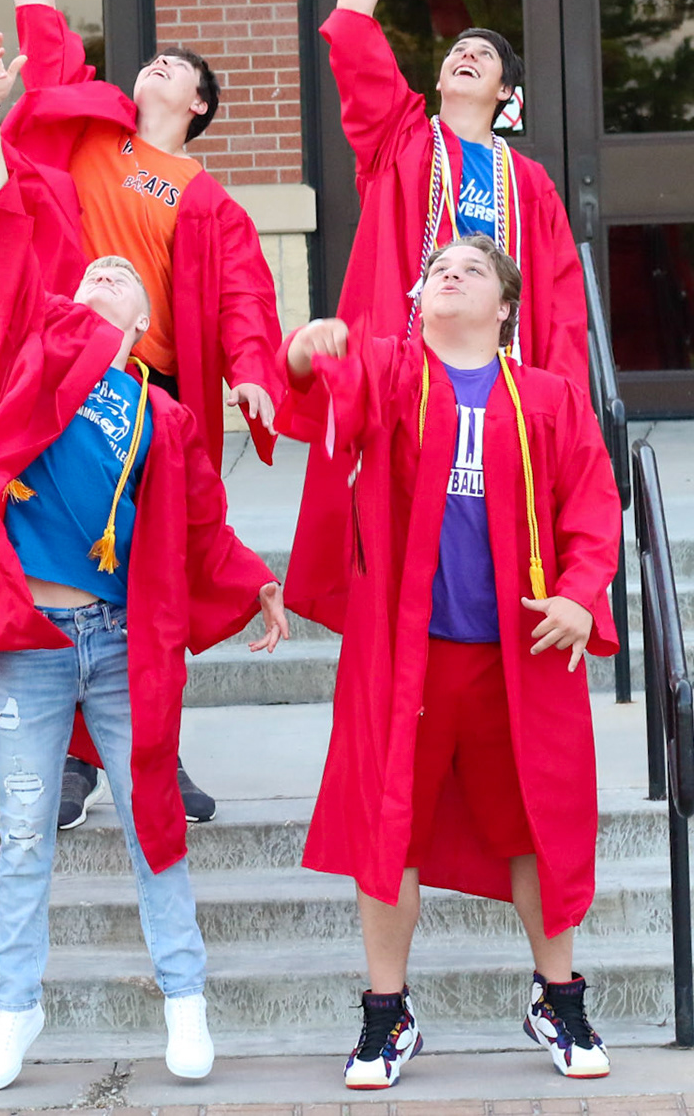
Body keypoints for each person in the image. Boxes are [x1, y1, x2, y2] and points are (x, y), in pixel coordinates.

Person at [0, 33, 289, 1093]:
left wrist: (259, 580)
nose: (100, 268)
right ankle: (15, 1007)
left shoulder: (164, 418)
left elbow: (201, 530)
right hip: (32, 642)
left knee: (152, 819)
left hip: (120, 641)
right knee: (22, 834)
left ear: (142, 321)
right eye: (90, 268)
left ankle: (185, 995)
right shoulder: (30, 353)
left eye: (120, 275)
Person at [0, 0, 286, 829]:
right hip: (63, 382)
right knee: (65, 571)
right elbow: (41, 17)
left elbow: (245, 300)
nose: (156, 64)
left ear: (198, 103)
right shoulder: (92, 128)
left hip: (150, 398)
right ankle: (76, 762)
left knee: (152, 582)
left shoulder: (207, 198)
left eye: (176, 68)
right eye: (153, 58)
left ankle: (155, 748)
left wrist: (256, 376)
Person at [279, 235, 620, 1090]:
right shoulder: (394, 373)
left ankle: (559, 997)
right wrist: (306, 349)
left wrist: (581, 594)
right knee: (388, 826)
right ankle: (386, 1013)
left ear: (505, 307)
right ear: (419, 299)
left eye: (472, 270)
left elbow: (591, 503)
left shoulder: (549, 396)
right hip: (408, 658)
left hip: (520, 657)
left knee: (539, 824)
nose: (450, 274)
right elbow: (322, 387)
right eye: (438, 269)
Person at [286, 0, 589, 635]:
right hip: (408, 388)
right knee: (400, 572)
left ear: (506, 94)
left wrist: (567, 411)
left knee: (492, 565)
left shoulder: (531, 185)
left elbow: (560, 309)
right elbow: (350, 27)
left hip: (500, 393)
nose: (466, 54)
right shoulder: (403, 142)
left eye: (484, 55)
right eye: (457, 49)